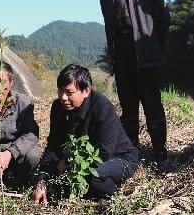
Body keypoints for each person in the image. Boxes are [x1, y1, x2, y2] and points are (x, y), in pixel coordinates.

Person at [99, 0, 171, 169]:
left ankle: (161, 153)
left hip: (145, 57)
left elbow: (163, 21)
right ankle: (132, 154)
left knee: (153, 108)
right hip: (122, 59)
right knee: (128, 110)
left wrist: (151, 47)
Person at [32, 64, 139, 204]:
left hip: (119, 158)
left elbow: (105, 152)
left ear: (86, 91)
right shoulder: (58, 107)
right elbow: (53, 144)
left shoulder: (101, 106)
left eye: (69, 92)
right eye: (60, 91)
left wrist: (69, 163)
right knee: (56, 179)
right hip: (83, 159)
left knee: (91, 176)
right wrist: (42, 179)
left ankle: (108, 192)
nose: (63, 97)